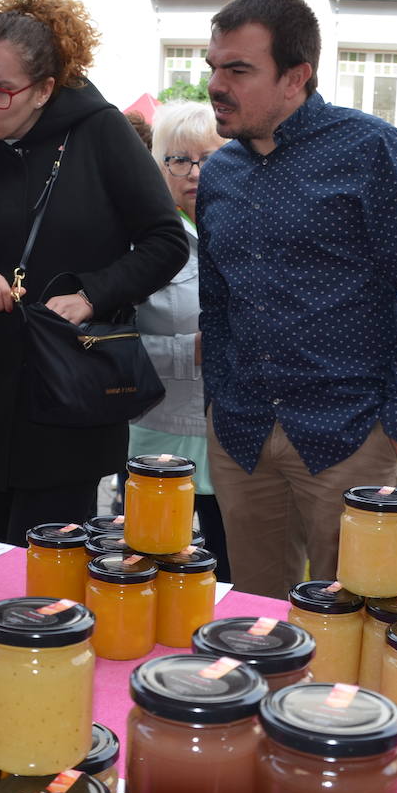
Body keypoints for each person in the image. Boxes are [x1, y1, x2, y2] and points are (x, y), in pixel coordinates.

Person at [197, 0, 397, 598]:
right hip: (242, 436)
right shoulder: (219, 173)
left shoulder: (374, 150)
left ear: (297, 77)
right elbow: (217, 304)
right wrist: (219, 403)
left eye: (238, 70)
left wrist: (396, 426)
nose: (217, 84)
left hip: (352, 436)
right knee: (258, 623)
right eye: (214, 66)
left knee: (357, 621)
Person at [0, 0, 186, 546]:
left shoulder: (101, 133)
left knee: (42, 573)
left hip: (74, 391)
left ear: (43, 89)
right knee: (4, 551)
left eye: (0, 91)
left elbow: (167, 241)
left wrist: (93, 294)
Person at [128, 101, 231, 579]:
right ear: (158, 166)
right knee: (149, 565)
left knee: (228, 572)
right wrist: (187, 351)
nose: (194, 172)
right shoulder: (140, 245)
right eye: (178, 159)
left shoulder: (248, 234)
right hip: (159, 432)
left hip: (236, 439)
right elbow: (102, 344)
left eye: (208, 158)